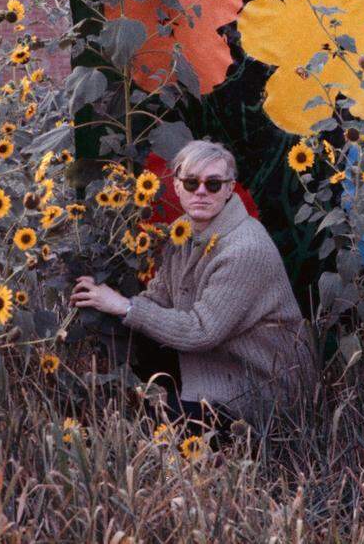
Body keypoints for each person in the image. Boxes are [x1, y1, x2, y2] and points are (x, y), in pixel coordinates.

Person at [69, 139, 316, 435]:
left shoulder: (244, 248)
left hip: (259, 388)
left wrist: (125, 306)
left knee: (152, 431)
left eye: (213, 184)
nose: (200, 191)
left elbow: (202, 332)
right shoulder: (184, 231)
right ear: (176, 186)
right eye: (190, 182)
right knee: (121, 402)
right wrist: (102, 299)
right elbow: (159, 297)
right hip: (213, 364)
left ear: (229, 189)